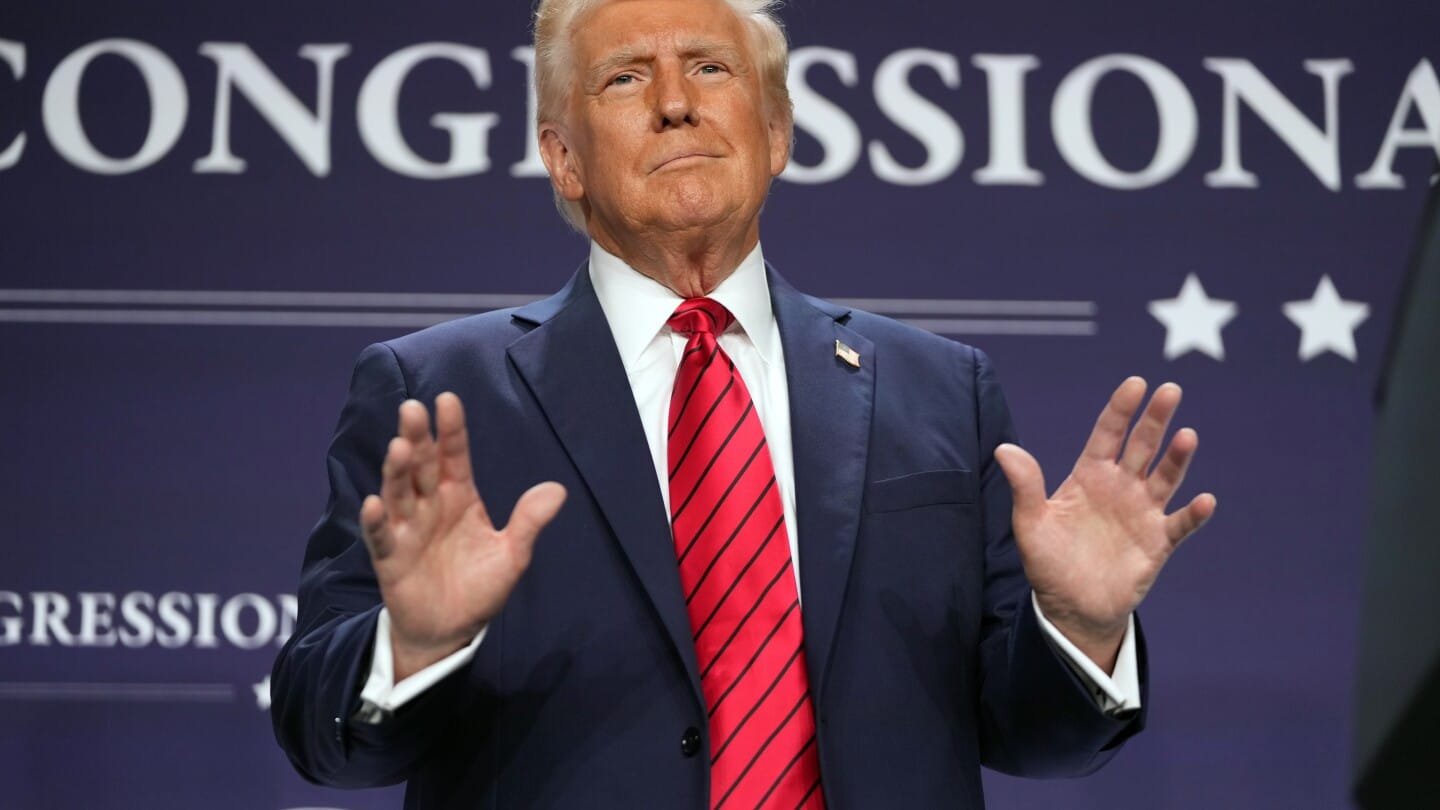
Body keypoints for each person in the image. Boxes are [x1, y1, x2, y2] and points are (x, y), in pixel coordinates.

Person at [270, 0, 1217, 806]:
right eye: (625, 79)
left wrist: (1082, 631)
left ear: (776, 134)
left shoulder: (941, 390)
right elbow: (322, 734)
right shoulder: (437, 395)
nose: (676, 102)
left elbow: (1034, 738)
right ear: (563, 159)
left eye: (710, 68)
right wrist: (413, 645)